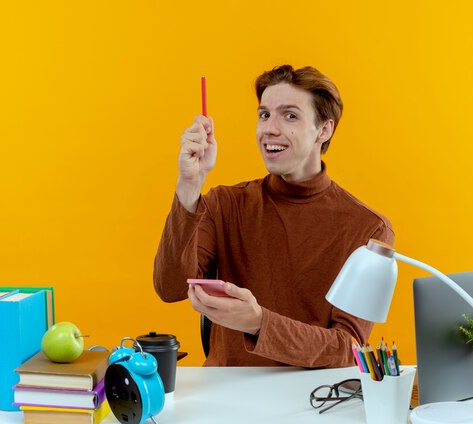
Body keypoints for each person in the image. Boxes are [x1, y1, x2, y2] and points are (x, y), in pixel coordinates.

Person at [153, 65, 394, 367]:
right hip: (226, 396)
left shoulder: (369, 229)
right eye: (264, 114)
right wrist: (189, 186)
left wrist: (259, 323)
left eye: (290, 115)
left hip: (314, 400)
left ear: (324, 129)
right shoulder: (225, 204)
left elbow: (348, 349)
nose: (269, 129)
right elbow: (169, 287)